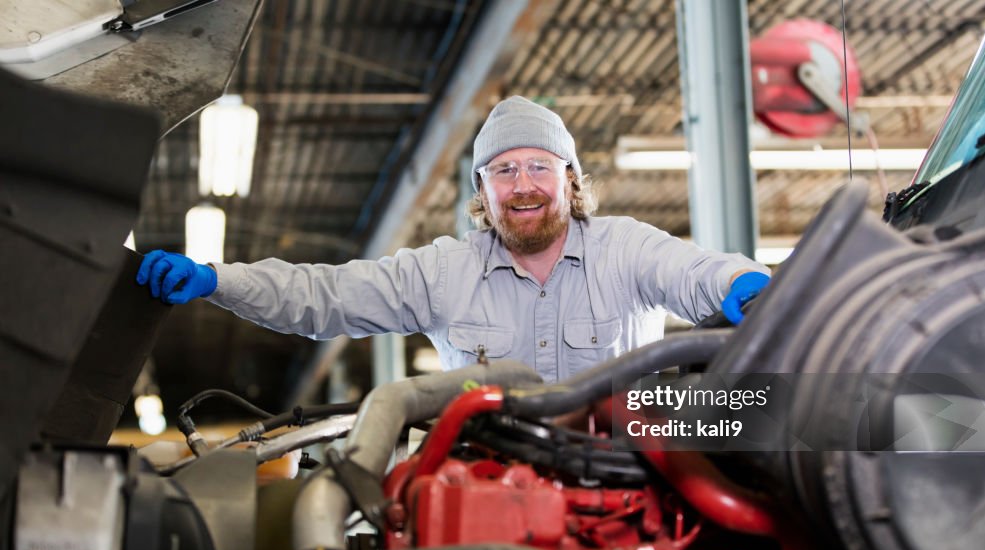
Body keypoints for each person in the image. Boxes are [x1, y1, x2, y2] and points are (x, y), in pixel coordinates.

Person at [138, 96, 770, 383]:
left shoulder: (626, 248)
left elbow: (694, 273)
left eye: (539, 167)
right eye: (503, 170)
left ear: (570, 181)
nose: (523, 185)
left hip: (627, 488)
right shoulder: (444, 271)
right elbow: (325, 297)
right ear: (482, 191)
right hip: (485, 490)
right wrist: (218, 279)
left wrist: (742, 284)